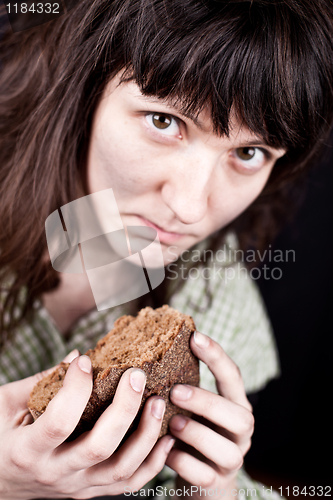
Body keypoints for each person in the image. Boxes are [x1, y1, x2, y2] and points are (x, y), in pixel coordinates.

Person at [0, 0, 332, 499]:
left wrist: (215, 491)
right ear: (82, 87)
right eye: (164, 121)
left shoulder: (210, 293)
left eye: (248, 153)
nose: (192, 208)